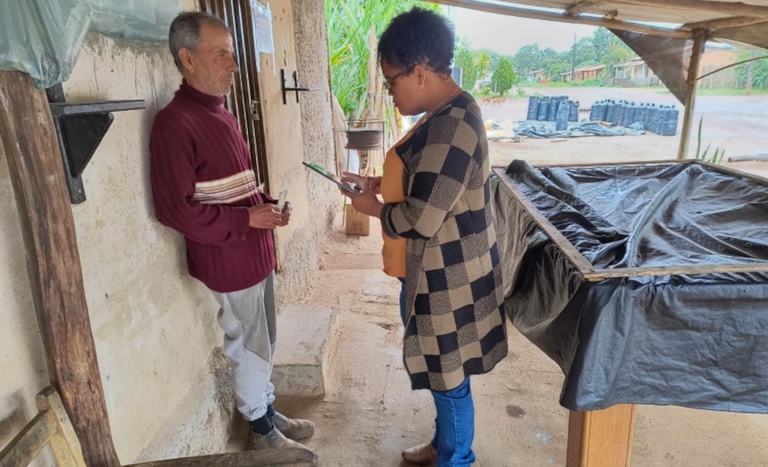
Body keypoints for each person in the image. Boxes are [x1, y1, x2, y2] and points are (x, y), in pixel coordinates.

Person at [341, 8, 508, 467]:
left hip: (447, 277)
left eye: (392, 80)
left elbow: (422, 216)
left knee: (448, 375)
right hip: (432, 271)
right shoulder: (442, 113)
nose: (390, 90)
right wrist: (380, 186)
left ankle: (457, 459)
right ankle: (444, 446)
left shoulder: (455, 123)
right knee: (440, 369)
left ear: (420, 71)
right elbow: (430, 182)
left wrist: (374, 209)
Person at [149, 11, 314, 454]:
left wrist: (265, 208)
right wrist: (246, 220)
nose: (233, 65)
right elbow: (174, 212)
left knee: (267, 338)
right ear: (187, 58)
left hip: (253, 252)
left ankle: (265, 408)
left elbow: (234, 187)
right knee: (249, 344)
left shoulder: (220, 114)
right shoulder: (174, 123)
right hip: (228, 260)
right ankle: (260, 431)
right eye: (221, 54)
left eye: (232, 53)